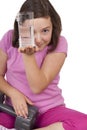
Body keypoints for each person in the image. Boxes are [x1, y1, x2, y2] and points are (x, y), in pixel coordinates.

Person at [0, 0, 87, 130]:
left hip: (49, 111)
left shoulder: (59, 43)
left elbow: (37, 87)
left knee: (83, 124)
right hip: (15, 111)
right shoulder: (9, 38)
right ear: (21, 28)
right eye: (31, 31)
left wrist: (28, 56)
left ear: (53, 27)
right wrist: (13, 93)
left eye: (45, 31)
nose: (39, 39)